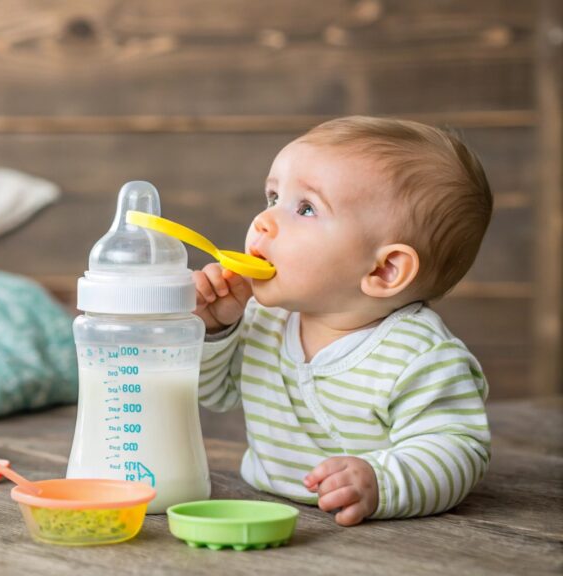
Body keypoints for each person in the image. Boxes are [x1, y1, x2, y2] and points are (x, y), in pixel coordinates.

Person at [195, 116, 492, 526]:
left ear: (384, 270)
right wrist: (215, 330)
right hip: (264, 511)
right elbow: (215, 393)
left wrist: (380, 481)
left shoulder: (420, 355)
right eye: (272, 197)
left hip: (378, 542)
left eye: (306, 208)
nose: (263, 221)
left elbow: (457, 450)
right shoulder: (264, 316)